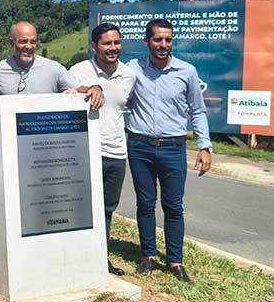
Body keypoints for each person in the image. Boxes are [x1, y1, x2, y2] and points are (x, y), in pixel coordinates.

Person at [127, 18, 212, 284]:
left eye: (168, 39)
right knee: (145, 203)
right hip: (139, 146)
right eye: (157, 39)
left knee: (174, 206)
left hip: (174, 149)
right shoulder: (132, 69)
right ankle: (148, 256)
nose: (163, 45)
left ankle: (175, 261)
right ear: (147, 42)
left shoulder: (187, 71)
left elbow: (197, 111)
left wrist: (204, 145)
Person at [69, 23, 135, 275]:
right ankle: (75, 259)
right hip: (85, 152)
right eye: (107, 43)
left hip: (117, 152)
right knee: (81, 208)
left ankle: (100, 259)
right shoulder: (78, 71)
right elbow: (65, 93)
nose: (113, 48)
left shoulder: (129, 74)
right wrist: (89, 88)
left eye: (117, 43)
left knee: (108, 209)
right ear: (94, 46)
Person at [0, 21, 103, 108]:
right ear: (11, 42)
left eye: (33, 41)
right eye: (23, 41)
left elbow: (77, 89)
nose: (29, 46)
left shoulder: (54, 69)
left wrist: (94, 88)